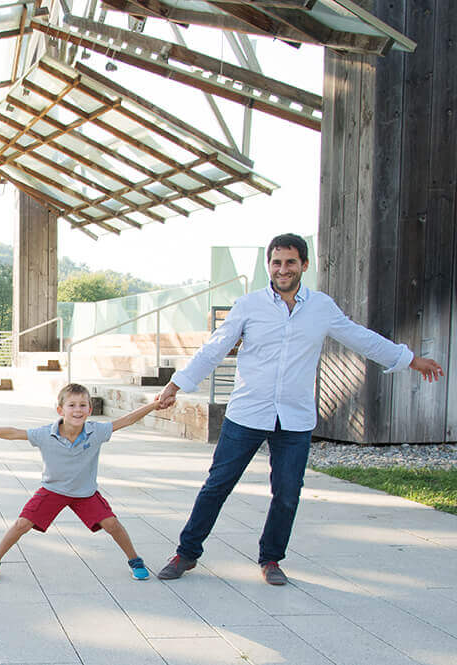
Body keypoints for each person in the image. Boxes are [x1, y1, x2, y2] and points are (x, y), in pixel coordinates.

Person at [155, 233, 445, 585]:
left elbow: (361, 338)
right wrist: (176, 385)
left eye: (290, 262)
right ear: (269, 266)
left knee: (288, 493)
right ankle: (186, 554)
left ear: (304, 265)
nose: (282, 269)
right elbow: (215, 349)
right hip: (247, 413)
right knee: (217, 485)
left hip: (294, 418)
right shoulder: (249, 306)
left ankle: (271, 559)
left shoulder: (321, 308)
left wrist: (410, 359)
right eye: (276, 262)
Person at [0, 383, 165, 582]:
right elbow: (12, 432)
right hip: (52, 490)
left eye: (83, 405)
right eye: (72, 405)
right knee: (22, 523)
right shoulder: (45, 434)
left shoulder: (97, 431)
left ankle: (135, 561)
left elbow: (127, 420)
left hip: (85, 493)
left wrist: (154, 405)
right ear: (60, 410)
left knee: (112, 523)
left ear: (90, 409)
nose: (77, 410)